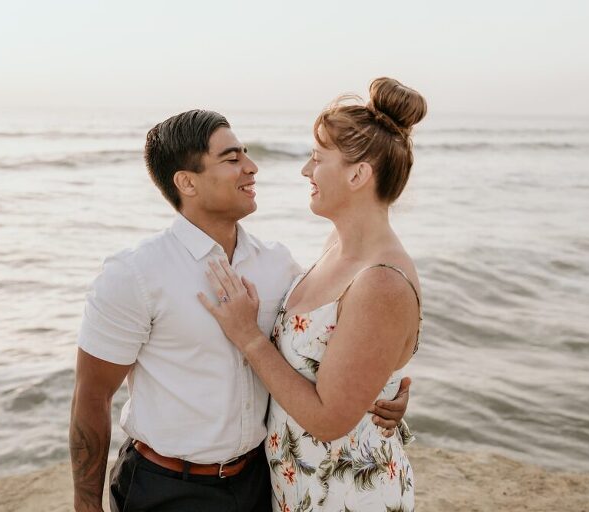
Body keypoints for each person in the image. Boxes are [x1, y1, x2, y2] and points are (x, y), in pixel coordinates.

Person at [68, 108, 412, 512]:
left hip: (259, 483)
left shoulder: (278, 265)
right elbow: (91, 396)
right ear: (187, 182)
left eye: (246, 154)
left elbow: (331, 335)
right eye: (232, 159)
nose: (252, 167)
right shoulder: (136, 274)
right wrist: (86, 506)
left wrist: (384, 387)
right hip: (167, 487)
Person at [199, 77, 426, 511]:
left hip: (347, 499)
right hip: (303, 490)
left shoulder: (382, 281)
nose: (306, 171)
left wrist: (248, 337)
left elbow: (329, 419)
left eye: (317, 159)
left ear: (359, 174)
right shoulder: (336, 248)